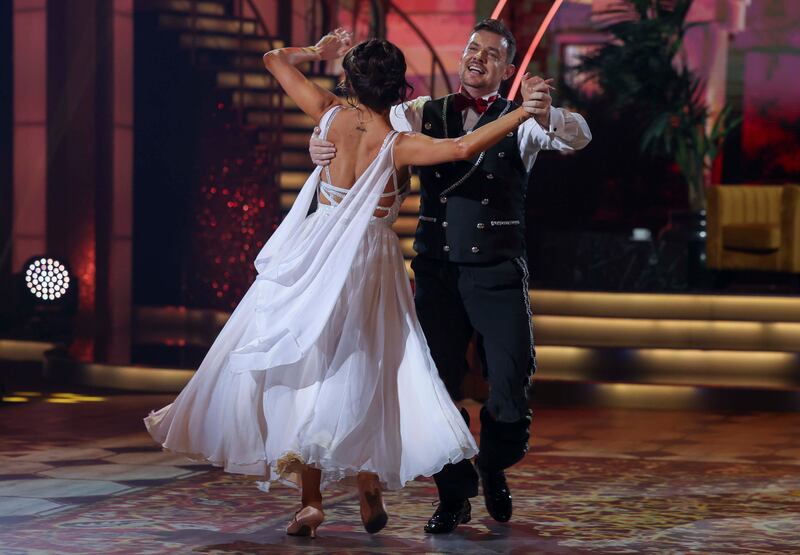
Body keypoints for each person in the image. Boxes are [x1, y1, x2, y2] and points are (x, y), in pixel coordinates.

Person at [145, 28, 543, 539]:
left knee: (312, 367)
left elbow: (273, 59)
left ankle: (311, 503)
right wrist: (521, 112)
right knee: (363, 370)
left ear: (349, 82)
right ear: (399, 89)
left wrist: (316, 52)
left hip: (314, 254)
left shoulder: (328, 115)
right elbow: (464, 147)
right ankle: (367, 481)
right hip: (366, 263)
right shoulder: (399, 144)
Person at [310, 19, 592, 533]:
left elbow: (578, 135)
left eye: (491, 53)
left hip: (498, 270)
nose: (477, 57)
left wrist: (545, 111)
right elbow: (357, 120)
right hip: (437, 272)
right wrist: (319, 142)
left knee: (511, 381)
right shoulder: (421, 112)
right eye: (472, 48)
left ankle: (493, 464)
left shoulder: (522, 120)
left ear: (507, 69)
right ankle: (454, 495)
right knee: (436, 387)